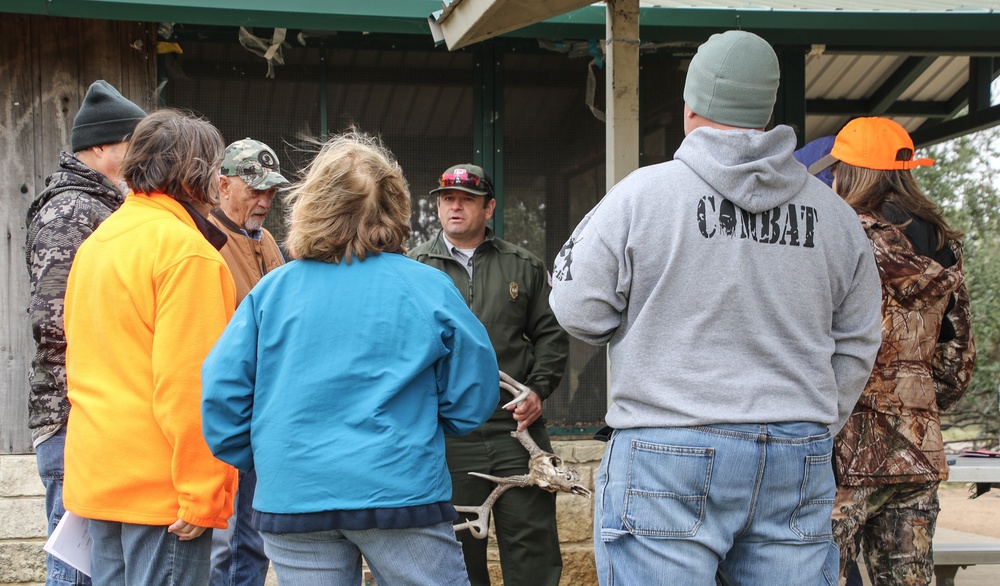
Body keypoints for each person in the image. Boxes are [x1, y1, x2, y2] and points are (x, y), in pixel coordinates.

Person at [548, 30, 884, 585]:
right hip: (795, 451)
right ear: (769, 108)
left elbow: (578, 308)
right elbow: (857, 341)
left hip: (667, 444)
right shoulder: (836, 217)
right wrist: (813, 419)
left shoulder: (642, 195)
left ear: (691, 106)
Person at [201, 130, 499, 586]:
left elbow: (222, 397)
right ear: (395, 206)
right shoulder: (428, 287)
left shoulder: (272, 292)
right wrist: (423, 424)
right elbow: (474, 395)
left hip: (293, 497)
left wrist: (267, 457)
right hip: (401, 491)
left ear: (312, 204)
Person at [62, 109, 238, 585]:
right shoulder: (187, 253)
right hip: (163, 494)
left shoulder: (98, 243)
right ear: (197, 176)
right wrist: (204, 493)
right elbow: (191, 385)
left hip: (97, 477)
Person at [810, 117, 977, 585]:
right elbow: (958, 360)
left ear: (849, 172)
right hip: (916, 451)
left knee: (819, 577)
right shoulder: (945, 246)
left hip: (840, 455)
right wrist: (915, 404)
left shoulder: (839, 234)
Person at [408, 164, 570, 586]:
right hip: (447, 437)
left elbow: (552, 336)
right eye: (446, 199)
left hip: (516, 433)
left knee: (532, 549)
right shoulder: (413, 269)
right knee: (455, 552)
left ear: (489, 207)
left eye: (467, 199)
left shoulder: (524, 266)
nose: (455, 206)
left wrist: (538, 390)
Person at [24, 79, 146, 586]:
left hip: (99, 419)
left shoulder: (106, 205)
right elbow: (54, 321)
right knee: (78, 572)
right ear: (98, 148)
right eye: (130, 148)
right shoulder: (72, 209)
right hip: (74, 419)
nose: (140, 160)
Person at [207, 138, 289, 586]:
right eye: (253, 189)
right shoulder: (206, 241)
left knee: (254, 538)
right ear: (222, 184)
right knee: (225, 542)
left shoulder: (269, 240)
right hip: (229, 414)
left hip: (268, 416)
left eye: (270, 191)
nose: (264, 201)